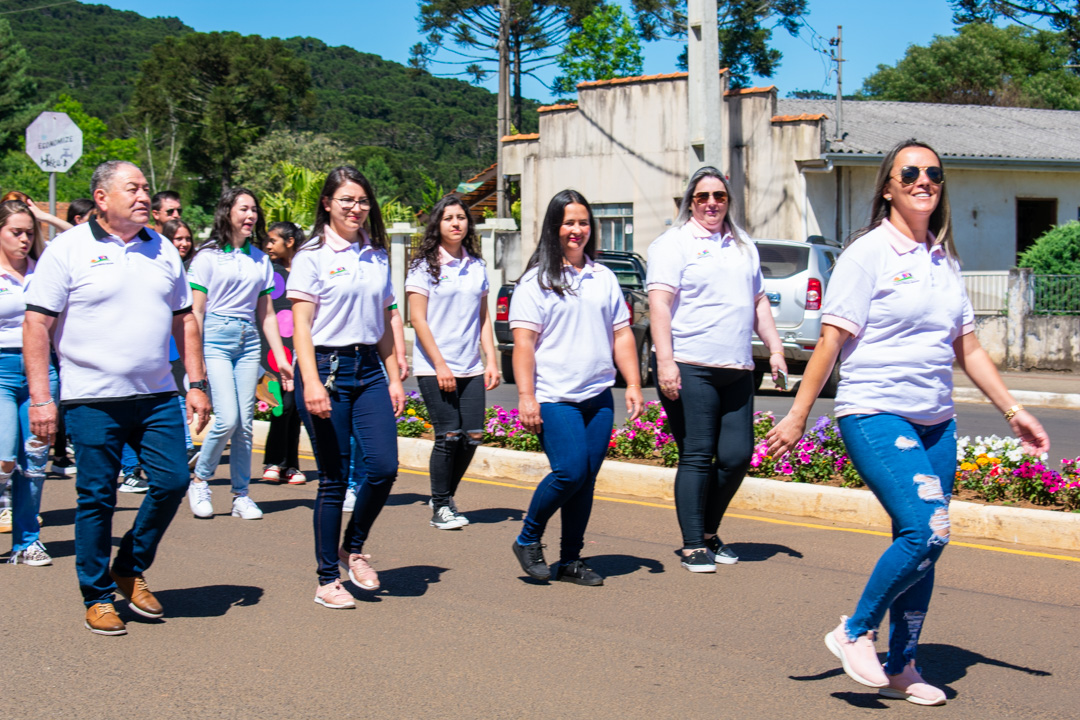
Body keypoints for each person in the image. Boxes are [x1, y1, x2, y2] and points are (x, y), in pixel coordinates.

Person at [766, 139, 1050, 705]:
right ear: (889, 187)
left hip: (936, 420)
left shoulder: (944, 259)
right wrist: (798, 412)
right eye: (911, 172)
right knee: (929, 527)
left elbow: (966, 347)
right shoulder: (867, 254)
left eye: (934, 174)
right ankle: (854, 632)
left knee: (923, 541)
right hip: (875, 410)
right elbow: (830, 341)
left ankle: (903, 665)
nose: (924, 180)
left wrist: (1013, 411)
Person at [23, 160, 211, 635]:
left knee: (170, 482)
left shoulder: (163, 248)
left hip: (156, 395)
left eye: (147, 188)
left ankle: (128, 565)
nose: (145, 195)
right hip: (91, 398)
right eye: (134, 188)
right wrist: (43, 398)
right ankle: (97, 595)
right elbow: (37, 325)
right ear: (102, 198)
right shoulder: (68, 249)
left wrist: (196, 382)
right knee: (97, 499)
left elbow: (185, 318)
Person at [647, 166, 787, 573]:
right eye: (703, 197)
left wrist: (775, 350)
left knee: (738, 456)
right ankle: (693, 544)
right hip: (691, 365)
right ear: (691, 201)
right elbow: (659, 304)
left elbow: (758, 301)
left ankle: (708, 531)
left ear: (729, 202)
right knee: (698, 453)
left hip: (737, 367)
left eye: (720, 197)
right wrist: (666, 360)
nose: (712, 204)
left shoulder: (743, 245)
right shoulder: (673, 244)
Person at [509, 189, 644, 587]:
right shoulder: (536, 281)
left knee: (586, 479)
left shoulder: (603, 277)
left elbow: (621, 334)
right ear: (554, 227)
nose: (577, 230)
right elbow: (524, 345)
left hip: (597, 396)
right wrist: (526, 396)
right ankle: (528, 537)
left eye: (584, 222)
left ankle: (570, 560)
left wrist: (633, 383)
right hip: (554, 396)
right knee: (569, 472)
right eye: (569, 222)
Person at [289, 165, 405, 609]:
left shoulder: (375, 254)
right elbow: (301, 325)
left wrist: (395, 376)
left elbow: (387, 318)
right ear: (327, 204)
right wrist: (312, 382)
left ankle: (351, 547)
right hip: (325, 367)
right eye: (346, 201)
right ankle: (326, 579)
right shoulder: (311, 255)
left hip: (369, 368)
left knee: (383, 467)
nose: (356, 208)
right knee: (334, 480)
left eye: (362, 200)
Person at [188, 189, 292, 520]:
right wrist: (198, 359)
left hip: (248, 342)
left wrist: (281, 359)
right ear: (227, 212)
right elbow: (197, 311)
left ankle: (240, 495)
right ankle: (201, 479)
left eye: (254, 210)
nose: (251, 216)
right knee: (228, 418)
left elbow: (267, 315)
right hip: (216, 340)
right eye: (243, 209)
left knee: (246, 424)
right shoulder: (207, 256)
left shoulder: (261, 259)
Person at [406, 196, 499, 529]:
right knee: (448, 436)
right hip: (435, 367)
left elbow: (484, 317)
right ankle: (441, 506)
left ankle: (442, 495)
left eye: (461, 217)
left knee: (472, 436)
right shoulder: (424, 266)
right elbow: (418, 319)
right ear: (438, 224)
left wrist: (491, 359)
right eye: (449, 218)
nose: (456, 223)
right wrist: (441, 365)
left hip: (471, 366)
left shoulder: (476, 265)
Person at [0, 199, 56, 565]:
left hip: (42, 372)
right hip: (2, 372)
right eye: (15, 232)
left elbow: (83, 239)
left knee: (34, 462)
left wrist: (44, 217)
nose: (24, 239)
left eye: (29, 232)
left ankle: (27, 542)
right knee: (4, 460)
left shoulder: (45, 267)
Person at [260, 221, 306, 485]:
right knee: (282, 405)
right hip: (274, 351)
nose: (268, 245)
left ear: (289, 242)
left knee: (296, 408)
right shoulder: (267, 270)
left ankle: (291, 465)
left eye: (273, 241)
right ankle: (274, 461)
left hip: (301, 347)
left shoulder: (305, 269)